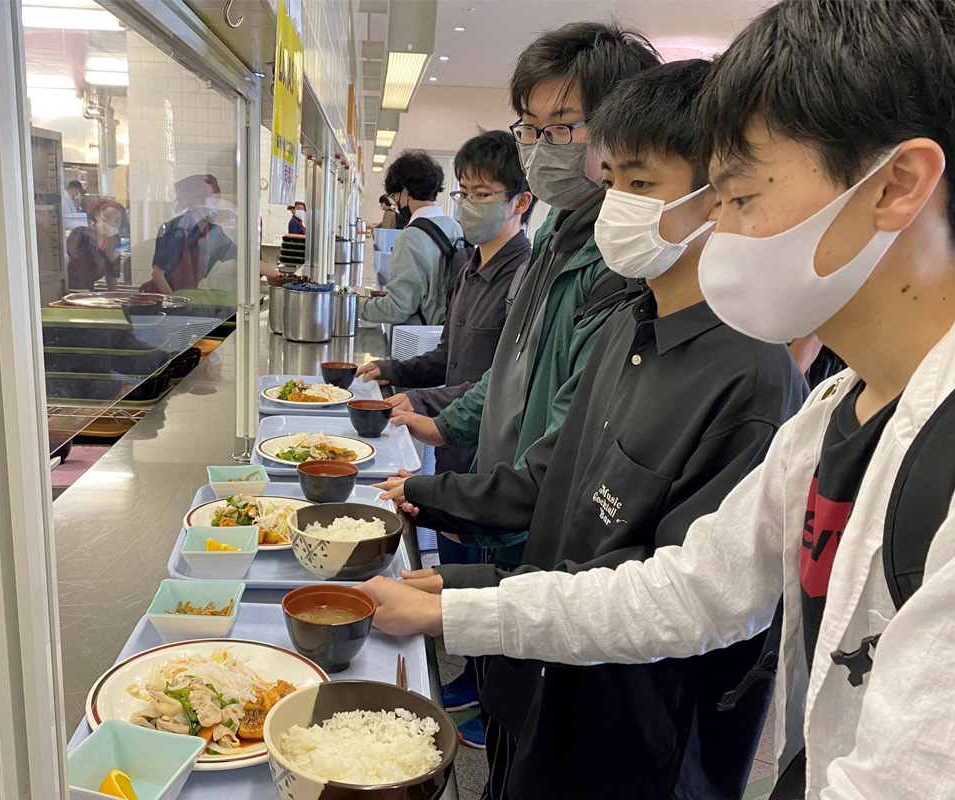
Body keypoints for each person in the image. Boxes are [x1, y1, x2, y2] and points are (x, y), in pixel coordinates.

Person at [362, 2, 955, 798]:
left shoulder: (832, 411)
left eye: (738, 193)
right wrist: (464, 606)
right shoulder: (832, 416)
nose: (720, 227)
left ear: (897, 185)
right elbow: (694, 588)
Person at [374, 58, 807, 800]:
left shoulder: (752, 381)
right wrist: (439, 528)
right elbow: (554, 482)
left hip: (632, 742)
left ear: (723, 198)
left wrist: (463, 605)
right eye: (612, 184)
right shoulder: (628, 328)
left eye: (641, 185)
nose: (616, 207)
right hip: (541, 679)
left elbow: (675, 594)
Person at [378, 23, 660, 746]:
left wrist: (457, 498)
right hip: (507, 502)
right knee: (502, 695)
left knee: (534, 707)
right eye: (531, 128)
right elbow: (509, 366)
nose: (540, 147)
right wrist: (448, 427)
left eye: (562, 127)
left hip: (544, 527)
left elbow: (572, 441)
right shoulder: (559, 239)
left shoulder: (620, 264)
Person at [355, 131, 533, 566]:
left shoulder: (526, 280)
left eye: (482, 194)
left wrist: (421, 401)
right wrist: (392, 370)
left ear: (520, 202)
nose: (468, 204)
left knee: (472, 573)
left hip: (490, 464)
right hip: (450, 451)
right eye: (463, 192)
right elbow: (447, 357)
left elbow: (507, 384)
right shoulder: (469, 269)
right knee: (447, 560)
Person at [359, 150, 462, 326]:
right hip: (448, 329)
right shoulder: (454, 227)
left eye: (395, 196)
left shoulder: (410, 237)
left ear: (405, 191)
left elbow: (397, 309)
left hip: (418, 335)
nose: (396, 203)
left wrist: (356, 306)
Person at [146, 174, 237, 294]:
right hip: (163, 297)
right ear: (198, 203)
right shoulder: (173, 230)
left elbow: (240, 256)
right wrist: (174, 301)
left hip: (187, 295)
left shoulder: (215, 232)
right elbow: (158, 275)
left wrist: (265, 271)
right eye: (214, 203)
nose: (217, 208)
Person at [67, 198, 126, 291]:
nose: (111, 223)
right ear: (97, 214)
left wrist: (114, 295)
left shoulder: (114, 241)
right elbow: (66, 263)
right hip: (67, 289)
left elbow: (112, 272)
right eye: (107, 216)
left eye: (117, 221)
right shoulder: (80, 234)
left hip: (88, 291)